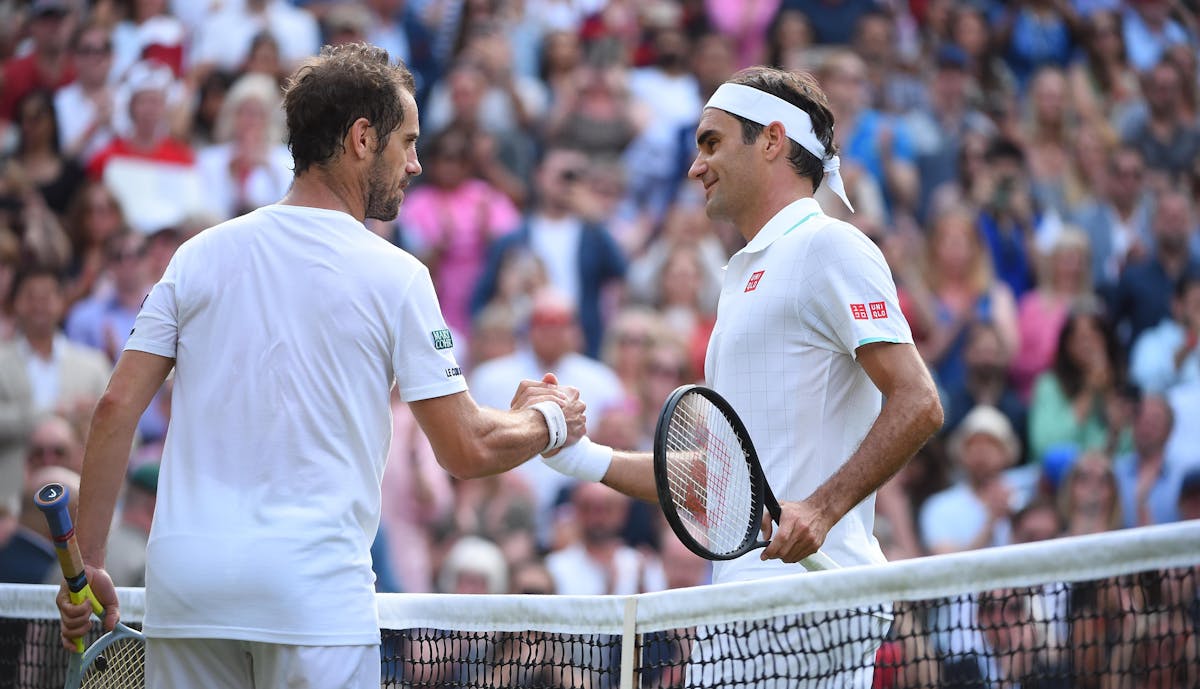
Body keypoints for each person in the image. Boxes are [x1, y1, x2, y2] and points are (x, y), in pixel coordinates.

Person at [54, 43, 586, 689]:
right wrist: (548, 421)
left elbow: (114, 409)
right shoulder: (399, 275)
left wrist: (91, 563)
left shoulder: (196, 255)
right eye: (408, 142)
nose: (416, 163)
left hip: (187, 592)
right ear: (363, 139)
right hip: (311, 599)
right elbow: (466, 448)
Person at [540, 66, 943, 687]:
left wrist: (822, 508)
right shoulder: (743, 276)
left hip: (805, 601)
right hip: (749, 603)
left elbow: (918, 401)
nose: (696, 166)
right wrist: (583, 458)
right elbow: (718, 478)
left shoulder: (830, 246)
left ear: (773, 142)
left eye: (711, 143)